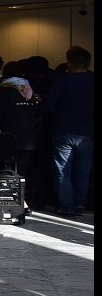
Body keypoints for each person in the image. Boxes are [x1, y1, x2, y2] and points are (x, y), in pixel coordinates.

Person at [45, 46, 94, 216]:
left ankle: (66, 206)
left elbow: (48, 105)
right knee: (83, 171)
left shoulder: (62, 81)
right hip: (88, 133)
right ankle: (80, 203)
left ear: (69, 62)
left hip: (63, 130)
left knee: (62, 171)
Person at [0, 61, 38, 213]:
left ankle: (16, 203)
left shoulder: (5, 90)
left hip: (9, 137)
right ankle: (23, 201)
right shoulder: (29, 90)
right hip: (28, 138)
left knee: (8, 170)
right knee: (22, 170)